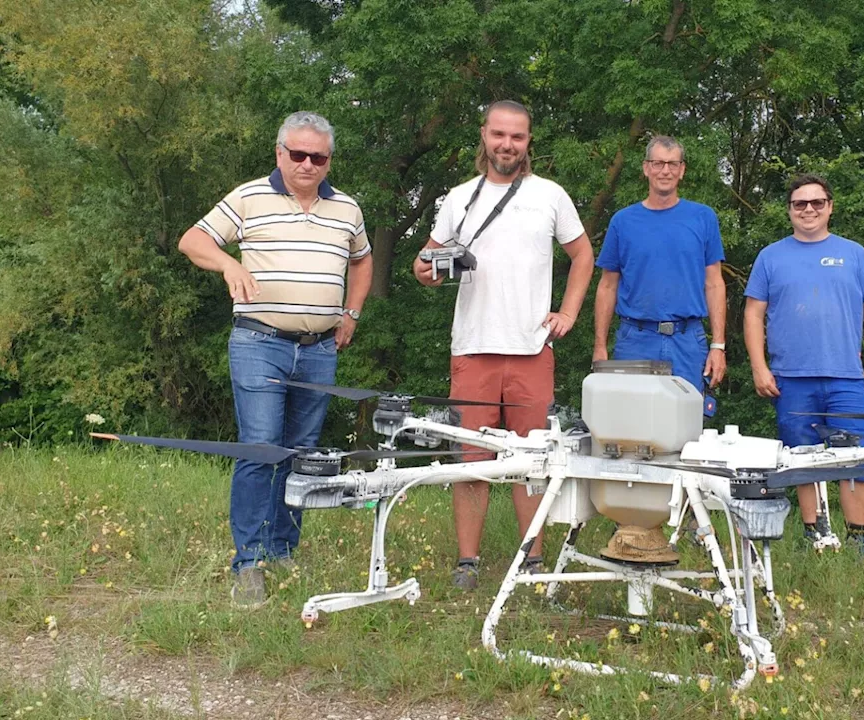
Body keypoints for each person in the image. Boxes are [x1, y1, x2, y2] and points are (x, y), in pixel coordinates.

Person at [179, 112, 373, 607]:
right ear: (279, 153)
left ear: (329, 160)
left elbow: (363, 259)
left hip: (320, 349)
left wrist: (351, 311)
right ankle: (248, 563)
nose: (308, 164)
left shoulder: (347, 209)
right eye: (298, 154)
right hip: (259, 342)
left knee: (302, 452)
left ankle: (283, 551)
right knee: (261, 448)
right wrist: (228, 263)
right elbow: (193, 240)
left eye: (319, 157)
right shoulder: (249, 197)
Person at [413, 100, 594, 590]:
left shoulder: (550, 195)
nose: (507, 145)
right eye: (499, 135)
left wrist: (569, 313)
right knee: (472, 460)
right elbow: (423, 262)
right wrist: (428, 271)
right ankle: (467, 563)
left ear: (528, 141)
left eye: (517, 137)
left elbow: (582, 255)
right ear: (484, 136)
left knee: (531, 463)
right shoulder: (459, 197)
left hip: (532, 348)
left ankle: (532, 561)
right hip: (472, 347)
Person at [744, 174, 864, 563]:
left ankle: (859, 540)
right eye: (800, 204)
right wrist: (759, 367)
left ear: (830, 207)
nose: (809, 209)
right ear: (789, 210)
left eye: (817, 203)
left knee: (856, 457)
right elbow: (753, 313)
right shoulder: (771, 256)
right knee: (802, 456)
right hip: (791, 377)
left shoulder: (854, 253)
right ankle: (816, 534)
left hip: (848, 376)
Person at [591, 136, 726, 393]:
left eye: (672, 164)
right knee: (630, 425)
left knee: (687, 426)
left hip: (687, 340)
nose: (665, 171)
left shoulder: (703, 217)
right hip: (636, 339)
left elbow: (715, 283)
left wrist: (718, 346)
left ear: (682, 170)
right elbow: (607, 286)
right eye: (658, 163)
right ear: (646, 168)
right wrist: (600, 345)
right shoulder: (623, 221)